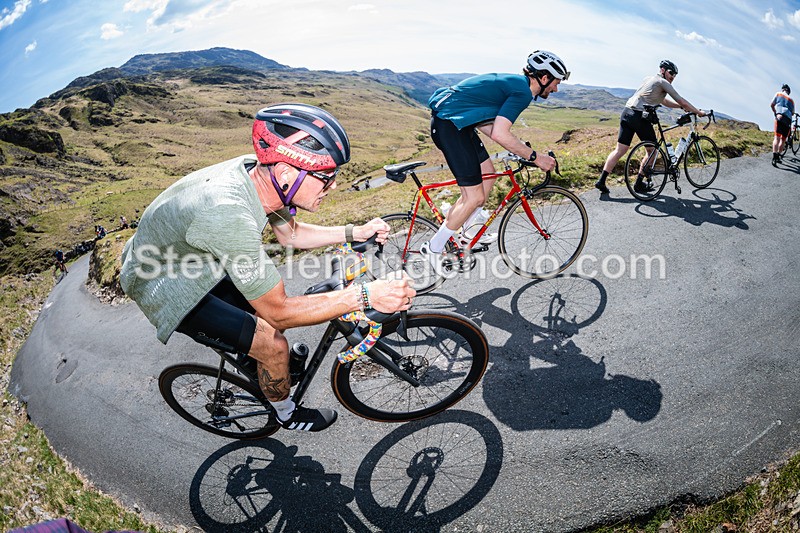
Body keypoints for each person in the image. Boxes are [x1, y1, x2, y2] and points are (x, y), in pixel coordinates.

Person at [120, 103, 416, 433]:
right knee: (274, 342)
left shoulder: (263, 175)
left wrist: (354, 232)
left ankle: (258, 364)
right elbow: (279, 312)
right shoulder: (228, 213)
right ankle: (285, 413)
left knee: (265, 321)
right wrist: (363, 295)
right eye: (326, 177)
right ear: (288, 173)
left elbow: (290, 233)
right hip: (161, 281)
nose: (333, 186)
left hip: (193, 256)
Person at [421, 50, 566, 269]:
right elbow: (500, 133)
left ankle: (467, 234)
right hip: (450, 127)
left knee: (488, 174)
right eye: (556, 82)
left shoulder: (515, 84)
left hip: (459, 126)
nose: (556, 88)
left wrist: (519, 148)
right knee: (474, 198)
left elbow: (488, 125)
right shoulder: (522, 92)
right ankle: (433, 249)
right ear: (544, 78)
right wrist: (535, 157)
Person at [595, 59, 707, 194]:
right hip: (639, 116)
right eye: (671, 73)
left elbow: (663, 101)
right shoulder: (663, 82)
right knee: (652, 151)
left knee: (620, 150)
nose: (673, 77)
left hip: (627, 113)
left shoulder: (649, 79)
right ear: (663, 70)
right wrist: (698, 112)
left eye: (675, 75)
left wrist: (680, 107)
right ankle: (638, 183)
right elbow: (681, 99)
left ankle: (601, 181)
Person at [771, 84, 794, 166]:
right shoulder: (791, 100)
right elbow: (793, 113)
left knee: (776, 138)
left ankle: (774, 157)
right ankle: (778, 156)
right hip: (787, 121)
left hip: (779, 117)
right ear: (788, 91)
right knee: (783, 140)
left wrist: (775, 112)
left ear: (783, 89)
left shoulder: (778, 94)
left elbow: (772, 104)